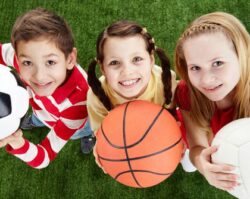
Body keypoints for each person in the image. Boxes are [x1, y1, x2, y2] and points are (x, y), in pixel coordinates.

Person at [87, 20, 196, 172]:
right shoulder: (96, 96)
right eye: (114, 63)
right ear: (103, 69)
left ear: (151, 60)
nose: (127, 72)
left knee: (188, 162)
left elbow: (172, 116)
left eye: (136, 59)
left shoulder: (164, 82)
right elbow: (101, 130)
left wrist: (177, 138)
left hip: (158, 129)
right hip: (123, 134)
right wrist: (104, 148)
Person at [0, 8, 95, 169]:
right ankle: (36, 119)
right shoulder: (20, 58)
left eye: (50, 62)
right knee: (39, 115)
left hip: (76, 123)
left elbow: (44, 157)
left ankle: (89, 136)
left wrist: (18, 142)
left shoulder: (77, 104)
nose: (39, 76)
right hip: (41, 110)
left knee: (83, 130)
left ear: (70, 59)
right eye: (28, 63)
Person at [174, 11, 250, 190]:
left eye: (217, 63)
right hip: (203, 133)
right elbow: (197, 145)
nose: (206, 80)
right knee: (191, 160)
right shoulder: (187, 91)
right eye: (195, 67)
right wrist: (202, 163)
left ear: (243, 55)